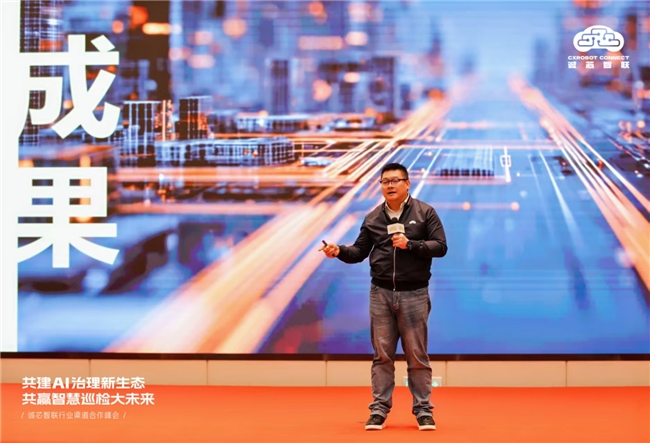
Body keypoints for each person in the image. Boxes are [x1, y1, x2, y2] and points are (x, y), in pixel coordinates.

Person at [319, 162, 447, 431]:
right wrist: (339, 251)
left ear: (407, 183)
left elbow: (440, 247)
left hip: (414, 294)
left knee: (417, 355)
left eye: (395, 180)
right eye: (385, 181)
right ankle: (378, 410)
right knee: (382, 356)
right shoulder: (373, 218)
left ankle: (423, 410)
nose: (389, 185)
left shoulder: (425, 212)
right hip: (381, 294)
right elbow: (358, 252)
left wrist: (411, 244)